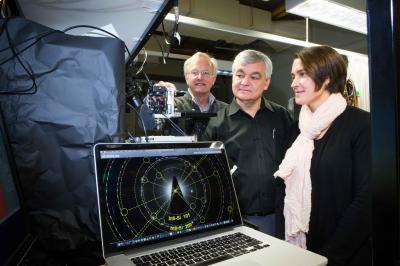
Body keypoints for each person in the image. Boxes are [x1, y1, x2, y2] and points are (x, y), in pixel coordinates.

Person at [274, 45, 372, 265]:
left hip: (345, 253)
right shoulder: (295, 131)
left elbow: (367, 199)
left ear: (327, 77)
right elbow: (282, 191)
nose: (293, 83)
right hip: (300, 250)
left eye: (302, 74)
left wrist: (328, 257)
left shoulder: (362, 125)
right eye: (293, 76)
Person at [202, 49, 293, 236]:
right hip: (238, 223)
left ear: (266, 82)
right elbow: (206, 176)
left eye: (254, 77)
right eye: (240, 75)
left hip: (283, 217)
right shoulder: (215, 123)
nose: (244, 82)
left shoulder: (283, 117)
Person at [153, 52, 227, 137]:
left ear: (213, 79)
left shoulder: (225, 110)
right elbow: (149, 124)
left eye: (205, 73)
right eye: (194, 72)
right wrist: (155, 100)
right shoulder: (172, 105)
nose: (200, 77)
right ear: (187, 78)